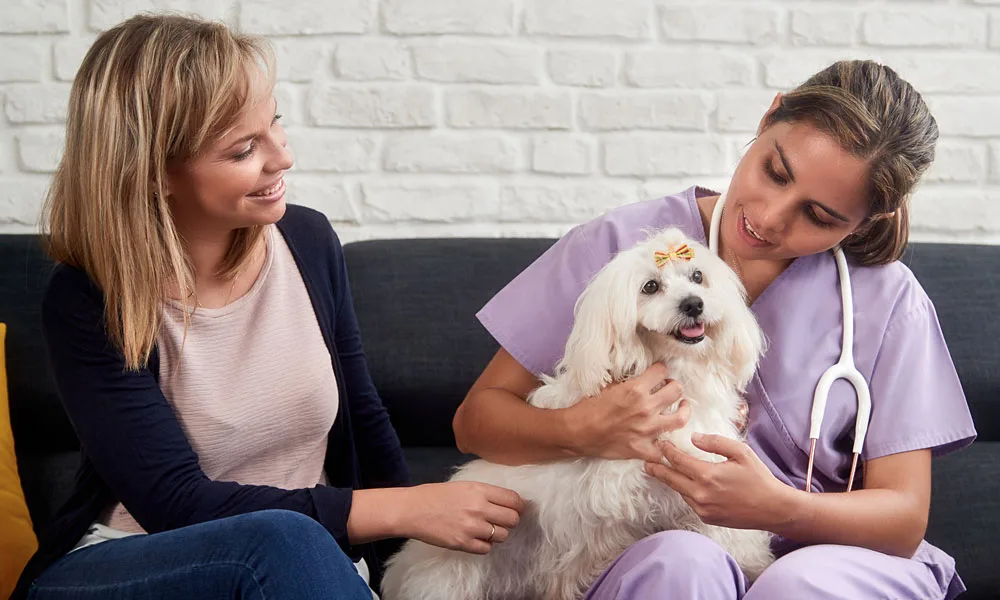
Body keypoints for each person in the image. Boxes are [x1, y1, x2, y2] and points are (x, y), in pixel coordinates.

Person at [13, 14, 523, 600]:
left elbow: (364, 419)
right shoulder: (87, 297)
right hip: (135, 562)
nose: (282, 159)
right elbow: (176, 503)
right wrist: (406, 509)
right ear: (153, 172)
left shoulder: (307, 242)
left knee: (296, 548)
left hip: (300, 571)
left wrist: (409, 566)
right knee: (280, 539)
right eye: (243, 149)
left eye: (274, 123)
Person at [454, 60, 977, 600]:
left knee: (798, 585)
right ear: (770, 114)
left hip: (828, 561)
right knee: (681, 563)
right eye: (775, 172)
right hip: (644, 556)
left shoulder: (889, 301)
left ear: (866, 221)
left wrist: (780, 507)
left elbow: (904, 518)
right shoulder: (619, 245)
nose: (770, 218)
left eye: (819, 216)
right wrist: (580, 429)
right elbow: (477, 422)